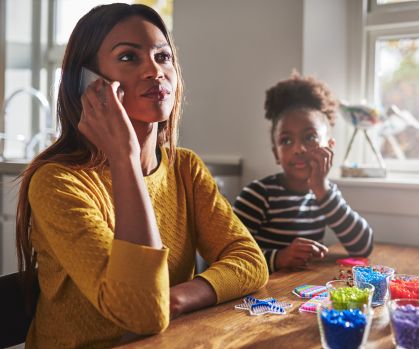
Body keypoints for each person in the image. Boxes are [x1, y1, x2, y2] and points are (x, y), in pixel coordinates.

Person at [16, 4, 268, 348]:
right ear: (88, 83)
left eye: (163, 57)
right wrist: (124, 158)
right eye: (128, 58)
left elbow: (250, 261)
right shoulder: (58, 183)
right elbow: (144, 313)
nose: (154, 71)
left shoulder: (185, 168)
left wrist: (175, 299)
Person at [233, 73, 373, 273]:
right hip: (261, 296)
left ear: (330, 147)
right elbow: (230, 255)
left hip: (302, 293)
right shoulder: (257, 195)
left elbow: (363, 247)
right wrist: (279, 258)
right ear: (276, 153)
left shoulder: (325, 194)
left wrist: (322, 190)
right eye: (286, 141)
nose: (298, 149)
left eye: (310, 137)